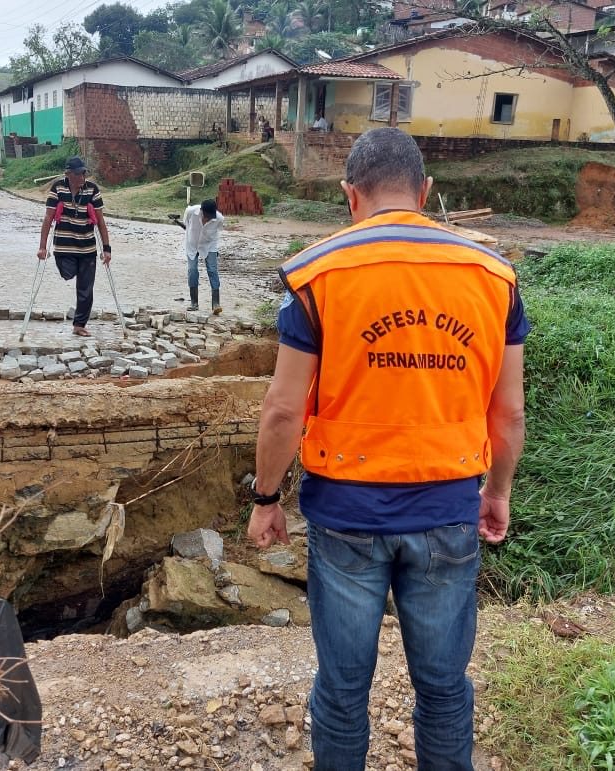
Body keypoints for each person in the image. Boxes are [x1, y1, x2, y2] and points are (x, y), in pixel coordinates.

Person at [247, 127, 529, 770]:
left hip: (346, 517)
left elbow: (284, 409)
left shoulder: (318, 275)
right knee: (444, 689)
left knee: (344, 693)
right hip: (447, 510)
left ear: (352, 196)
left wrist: (266, 499)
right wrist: (497, 493)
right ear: (424, 192)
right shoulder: (493, 277)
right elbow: (507, 411)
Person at [37, 156, 111, 337]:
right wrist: (42, 247)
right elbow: (48, 218)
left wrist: (107, 249)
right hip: (64, 246)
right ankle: (73, 272)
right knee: (67, 273)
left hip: (87, 248)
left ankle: (79, 324)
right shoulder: (58, 188)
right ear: (68, 174)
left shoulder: (92, 190)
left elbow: (101, 221)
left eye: (84, 173)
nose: (82, 176)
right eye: (78, 173)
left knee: (86, 288)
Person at [173, 199, 224, 313]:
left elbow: (217, 232)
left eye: (211, 217)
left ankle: (216, 304)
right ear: (201, 211)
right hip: (192, 244)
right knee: (192, 270)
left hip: (209, 244)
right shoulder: (191, 211)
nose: (208, 219)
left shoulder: (219, 219)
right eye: (206, 216)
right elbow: (186, 223)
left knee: (212, 271)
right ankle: (194, 302)